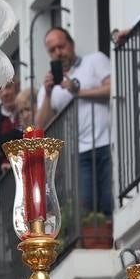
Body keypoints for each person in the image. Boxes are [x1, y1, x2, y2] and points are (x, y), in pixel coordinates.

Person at [35, 26, 113, 216]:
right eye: (52, 50)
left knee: (110, 200)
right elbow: (39, 125)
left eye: (61, 46)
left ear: (71, 44)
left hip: (107, 143)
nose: (58, 53)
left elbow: (113, 88)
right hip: (78, 152)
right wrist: (47, 93)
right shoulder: (49, 87)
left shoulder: (94, 61)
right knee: (87, 207)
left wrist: (78, 92)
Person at [0, 78, 33, 180]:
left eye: (8, 87)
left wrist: (0, 140)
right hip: (5, 179)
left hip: (29, 172)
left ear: (17, 86)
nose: (5, 93)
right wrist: (15, 135)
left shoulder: (27, 105)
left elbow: (30, 135)